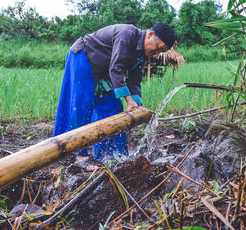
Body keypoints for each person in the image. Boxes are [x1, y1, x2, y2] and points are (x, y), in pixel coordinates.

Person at [53, 23, 178, 168]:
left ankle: (110, 155)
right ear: (150, 35)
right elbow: (116, 68)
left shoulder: (142, 54)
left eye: (161, 51)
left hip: (103, 70)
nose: (157, 53)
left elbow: (135, 80)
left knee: (113, 106)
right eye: (159, 48)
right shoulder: (127, 34)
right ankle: (78, 156)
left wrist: (137, 105)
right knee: (81, 106)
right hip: (84, 57)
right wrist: (128, 100)